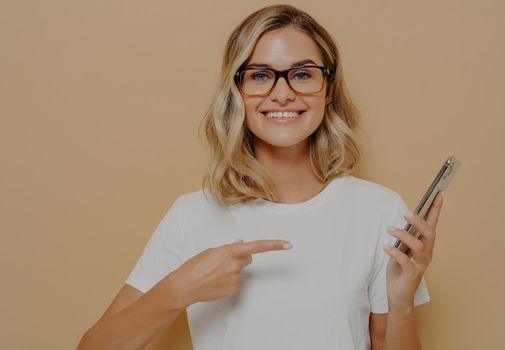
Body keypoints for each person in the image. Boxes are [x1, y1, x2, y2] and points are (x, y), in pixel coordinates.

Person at [77, 4, 444, 350]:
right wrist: (180, 288)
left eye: (302, 74)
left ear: (328, 89)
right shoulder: (192, 215)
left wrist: (401, 303)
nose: (282, 94)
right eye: (260, 76)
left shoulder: (379, 210)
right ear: (237, 90)